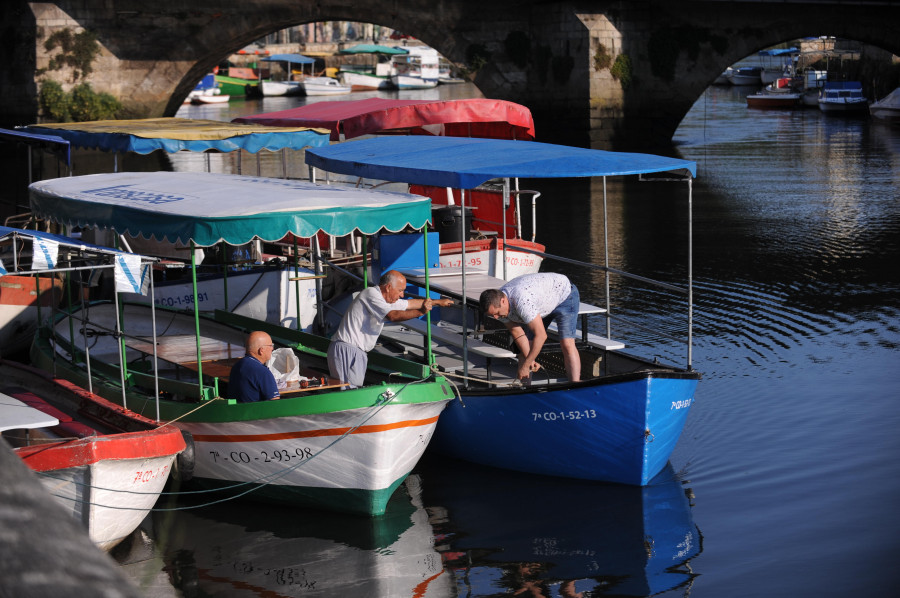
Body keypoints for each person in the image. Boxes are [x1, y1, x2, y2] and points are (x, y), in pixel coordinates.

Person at [328, 269, 454, 388]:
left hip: (352, 350)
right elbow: (392, 316)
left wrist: (437, 302)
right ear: (388, 287)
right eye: (400, 290)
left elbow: (409, 304)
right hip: (349, 349)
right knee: (350, 394)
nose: (402, 295)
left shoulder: (385, 300)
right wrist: (421, 312)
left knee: (349, 391)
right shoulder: (371, 294)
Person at [479, 272, 582, 382]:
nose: (496, 317)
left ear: (503, 301)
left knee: (567, 343)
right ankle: (525, 389)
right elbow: (518, 333)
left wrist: (526, 364)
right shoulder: (498, 306)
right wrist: (530, 360)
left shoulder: (522, 302)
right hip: (541, 303)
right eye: (492, 315)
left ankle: (575, 385)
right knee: (527, 346)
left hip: (564, 295)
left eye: (497, 313)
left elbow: (542, 336)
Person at [228, 330, 280, 402]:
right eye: (271, 345)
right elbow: (275, 403)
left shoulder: (236, 366)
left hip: (238, 410)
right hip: (257, 412)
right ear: (261, 350)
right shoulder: (263, 372)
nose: (272, 349)